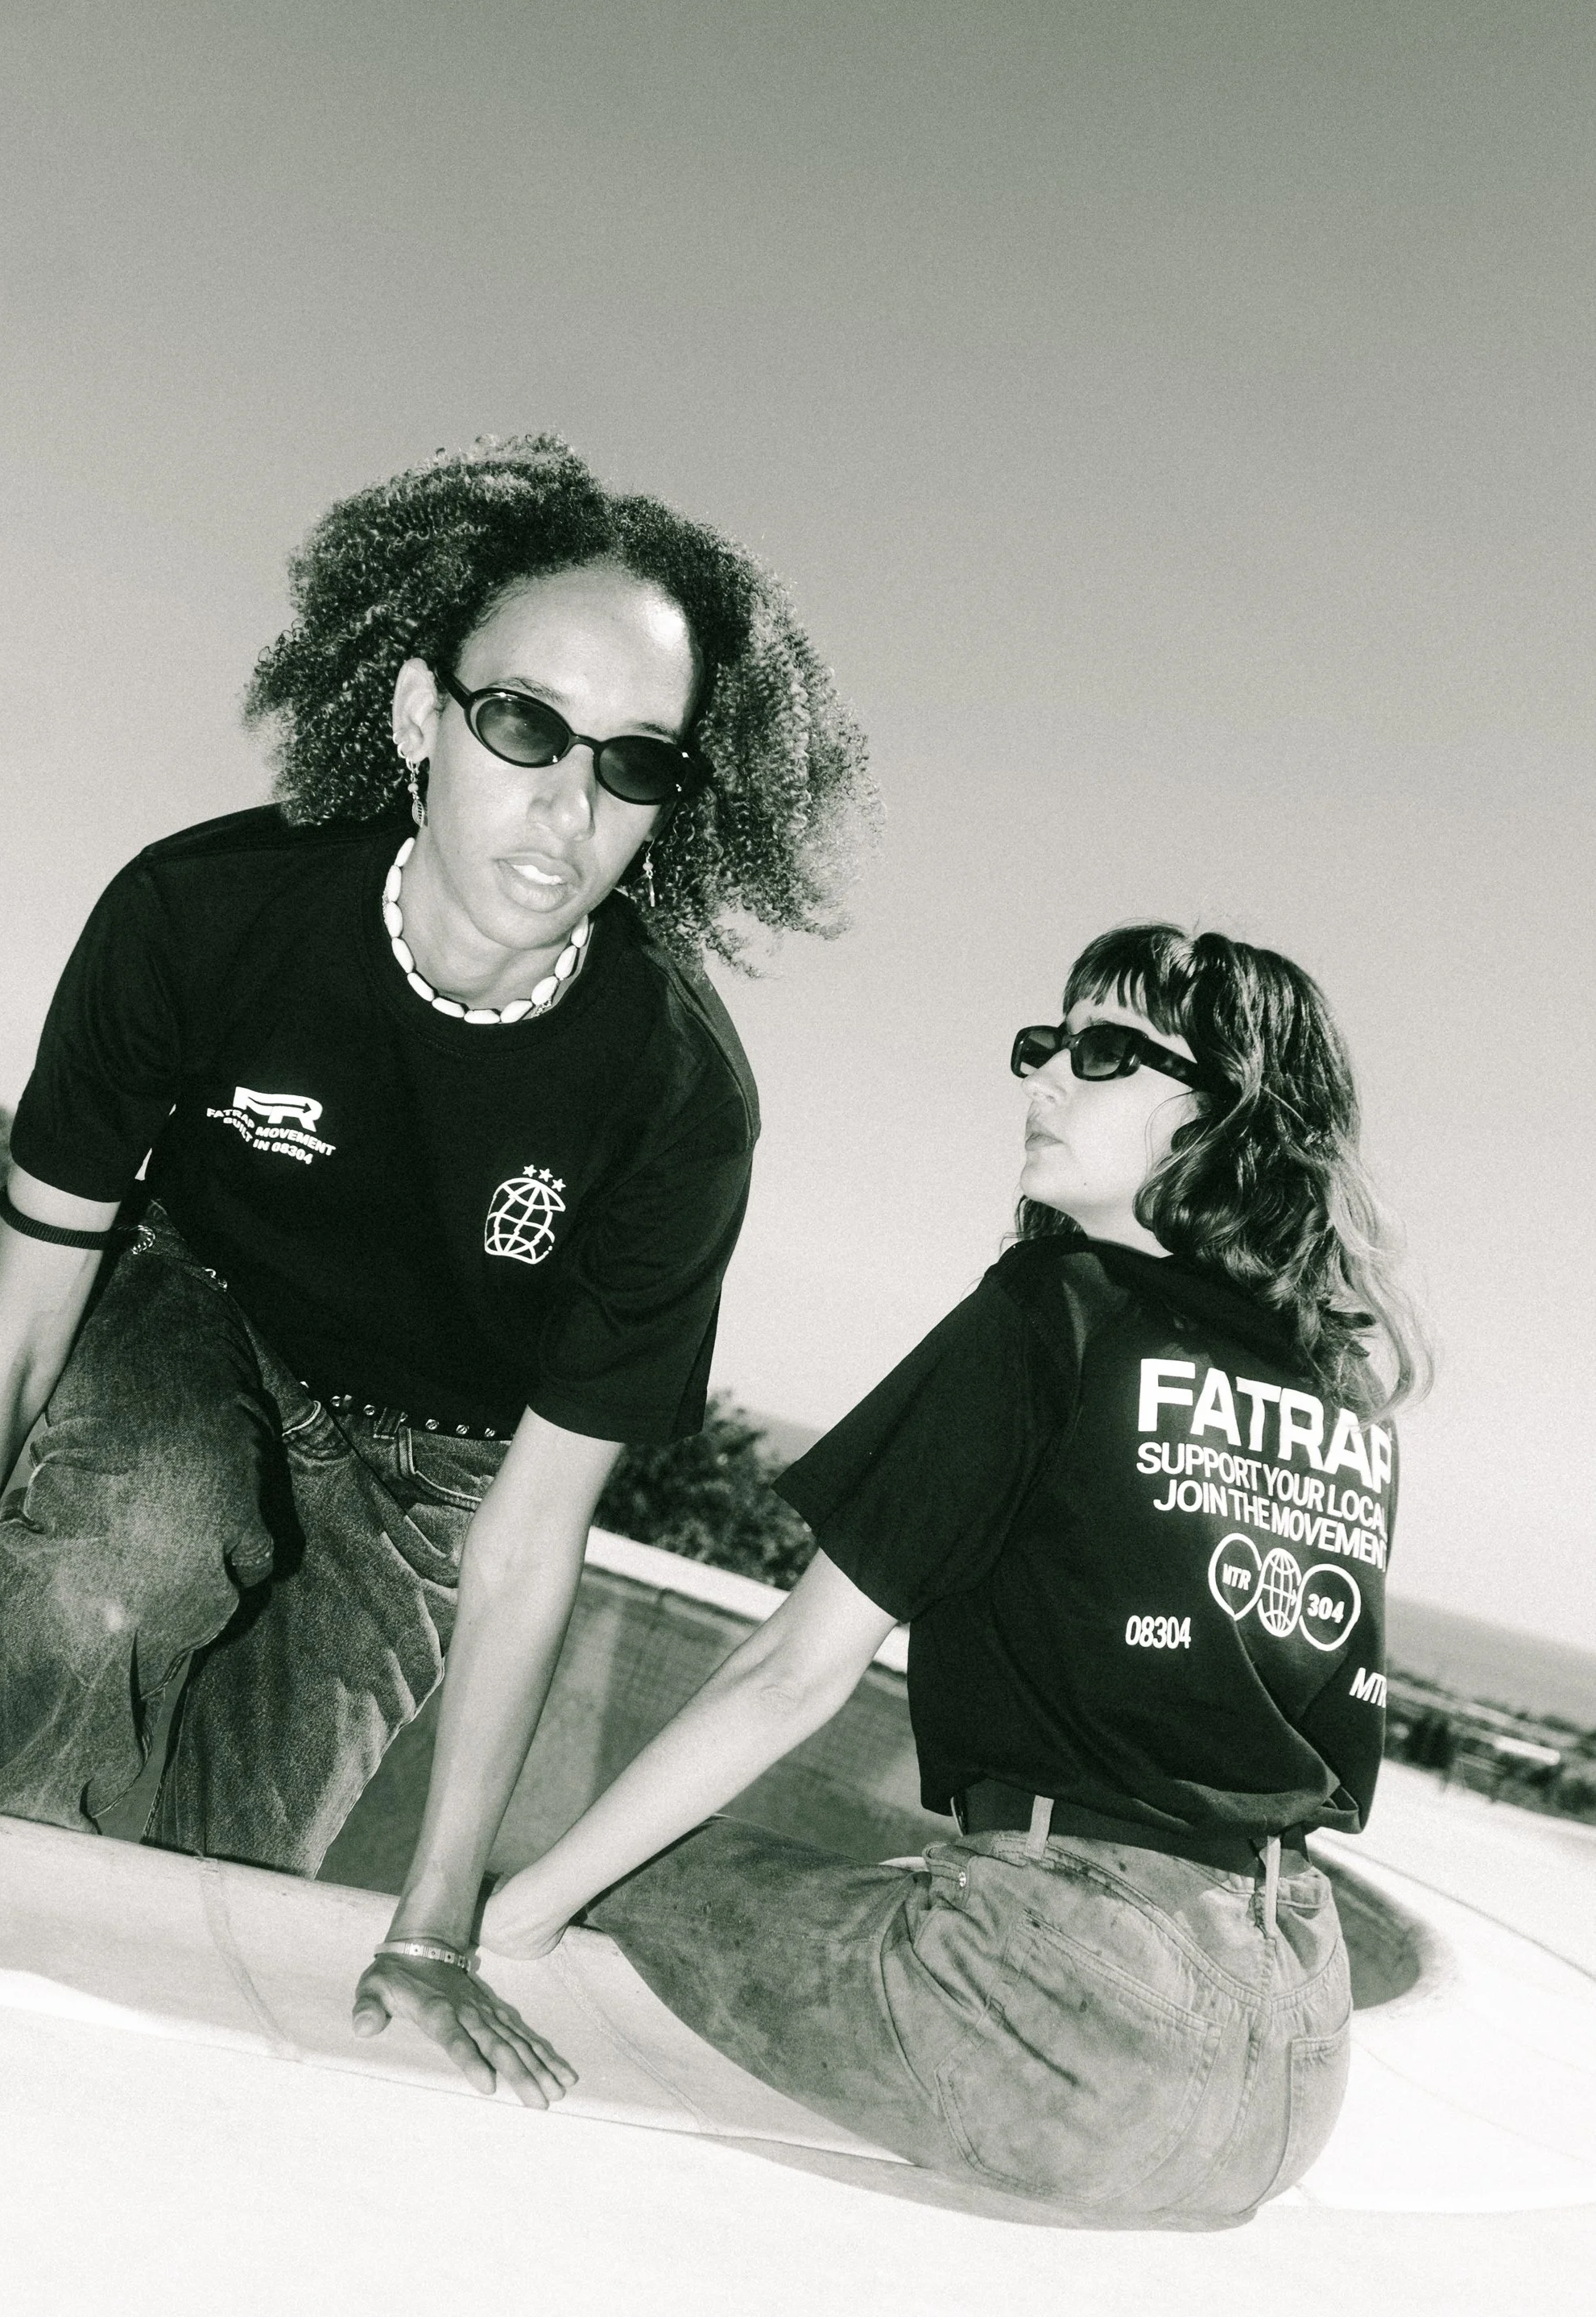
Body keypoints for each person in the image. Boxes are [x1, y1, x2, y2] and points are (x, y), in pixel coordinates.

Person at [0, 435, 874, 2108]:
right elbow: (11, 1352)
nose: (568, 803)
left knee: (219, 1899)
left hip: (440, 1473)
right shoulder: (203, 916)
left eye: (636, 761)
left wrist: (433, 1927)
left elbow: (531, 1537)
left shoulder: (674, 1100)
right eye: (523, 725)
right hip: (200, 1321)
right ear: (415, 717)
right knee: (137, 1540)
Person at [482, 925, 1429, 2225]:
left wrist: (514, 1914)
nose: (1042, 1079)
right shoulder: (1344, 1389)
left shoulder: (1056, 1308)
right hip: (1295, 2074)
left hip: (1079, 2030)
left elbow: (791, 1671)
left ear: (1231, 1112)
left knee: (617, 1882)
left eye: (1105, 1053)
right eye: (1046, 1046)